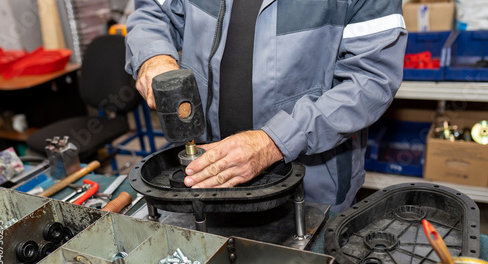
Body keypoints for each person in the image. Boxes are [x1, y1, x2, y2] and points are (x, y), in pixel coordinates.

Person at [125, 0, 407, 213]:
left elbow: (372, 79)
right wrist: (154, 55)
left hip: (311, 186)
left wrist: (274, 141)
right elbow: (153, 10)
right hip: (206, 173)